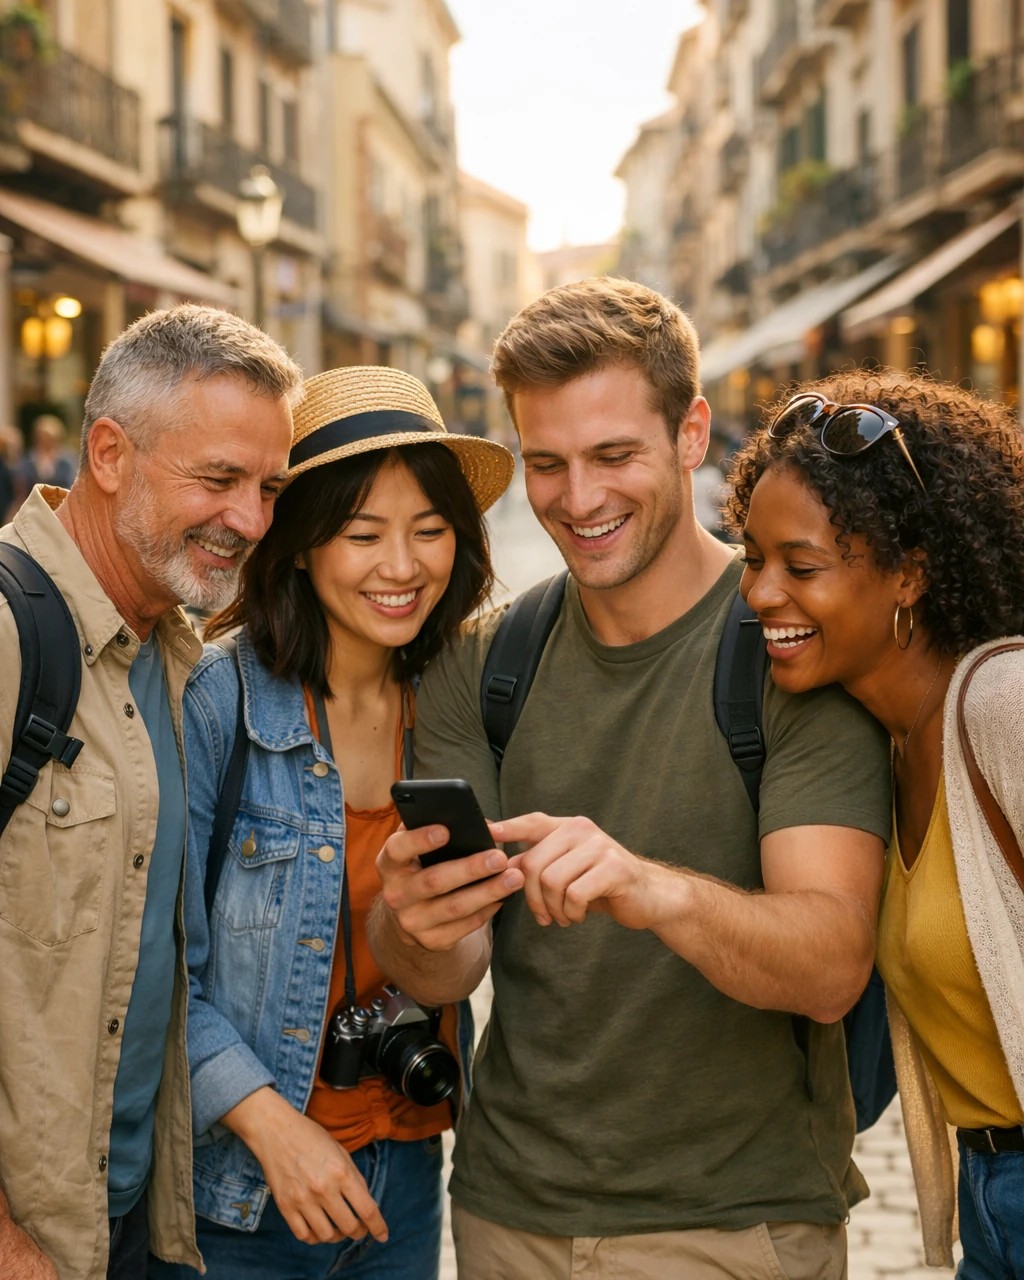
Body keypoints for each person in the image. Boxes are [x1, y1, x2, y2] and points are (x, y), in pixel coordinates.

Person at [367, 277, 893, 1280]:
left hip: (735, 1224)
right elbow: (449, 968)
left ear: (692, 433)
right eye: (547, 463)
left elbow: (830, 964)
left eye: (614, 455)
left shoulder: (790, 646)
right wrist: (410, 921)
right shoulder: (482, 662)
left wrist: (646, 888)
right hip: (506, 1213)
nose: (577, 497)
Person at [149, 367, 513, 1280]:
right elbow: (151, 969)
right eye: (364, 535)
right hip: (244, 1195)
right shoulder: (216, 699)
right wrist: (272, 1126)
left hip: (406, 1173)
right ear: (303, 543)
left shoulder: (459, 703)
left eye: (430, 531)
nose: (403, 566)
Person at [0, 304, 300, 1280]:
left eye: (268, 488)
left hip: (126, 1224)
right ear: (110, 452)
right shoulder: (10, 636)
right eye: (218, 479)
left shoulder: (177, 659)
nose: (251, 520)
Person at [725, 369, 1024, 1275]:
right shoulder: (885, 741)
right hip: (991, 1201)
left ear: (911, 574)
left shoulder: (1004, 707)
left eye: (800, 567)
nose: (760, 594)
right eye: (752, 558)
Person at [16, 412, 78, 499]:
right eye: (41, 437)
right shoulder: (29, 458)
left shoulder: (66, 459)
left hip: (61, 503)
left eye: (48, 437)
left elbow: (71, 483)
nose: (44, 440)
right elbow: (22, 484)